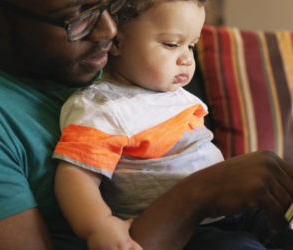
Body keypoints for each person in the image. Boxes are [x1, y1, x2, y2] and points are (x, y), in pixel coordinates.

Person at [0, 0, 293, 249]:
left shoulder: (105, 61)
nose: (108, 31)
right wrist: (200, 194)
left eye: (110, 6)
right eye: (75, 17)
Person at [52, 0, 226, 249]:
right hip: (184, 230)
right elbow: (77, 174)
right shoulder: (104, 107)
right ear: (118, 42)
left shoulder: (172, 92)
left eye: (191, 45)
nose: (187, 59)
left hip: (226, 209)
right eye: (171, 44)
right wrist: (98, 225)